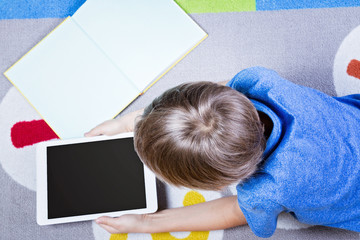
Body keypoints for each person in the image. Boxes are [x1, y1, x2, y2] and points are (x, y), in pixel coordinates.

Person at [85, 67, 360, 238]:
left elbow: (232, 211)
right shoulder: (259, 81)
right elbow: (215, 98)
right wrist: (126, 123)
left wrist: (146, 223)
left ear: (218, 184)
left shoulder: (267, 191)